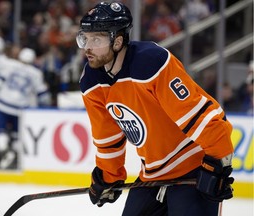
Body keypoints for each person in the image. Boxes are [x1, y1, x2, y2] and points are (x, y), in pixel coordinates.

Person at [76, 2, 234, 216]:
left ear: (118, 41)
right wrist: (107, 176)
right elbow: (107, 138)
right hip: (152, 174)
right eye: (85, 38)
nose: (88, 46)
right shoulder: (91, 80)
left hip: (194, 168)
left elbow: (198, 115)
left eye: (96, 39)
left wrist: (218, 163)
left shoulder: (150, 62)